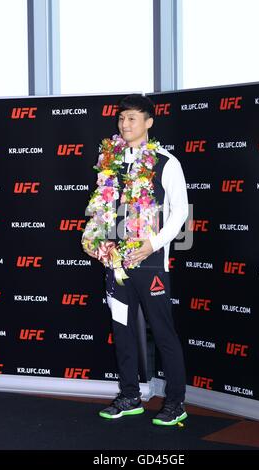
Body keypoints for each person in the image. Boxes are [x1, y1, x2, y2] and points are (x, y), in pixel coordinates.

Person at [82, 94, 188, 426]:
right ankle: (129, 396)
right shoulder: (108, 158)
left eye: (132, 118)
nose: (125, 125)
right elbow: (103, 205)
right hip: (116, 261)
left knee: (163, 331)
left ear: (148, 122)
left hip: (151, 261)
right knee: (122, 330)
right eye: (122, 119)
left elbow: (180, 212)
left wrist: (152, 243)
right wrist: (93, 236)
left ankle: (176, 402)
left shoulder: (166, 162)